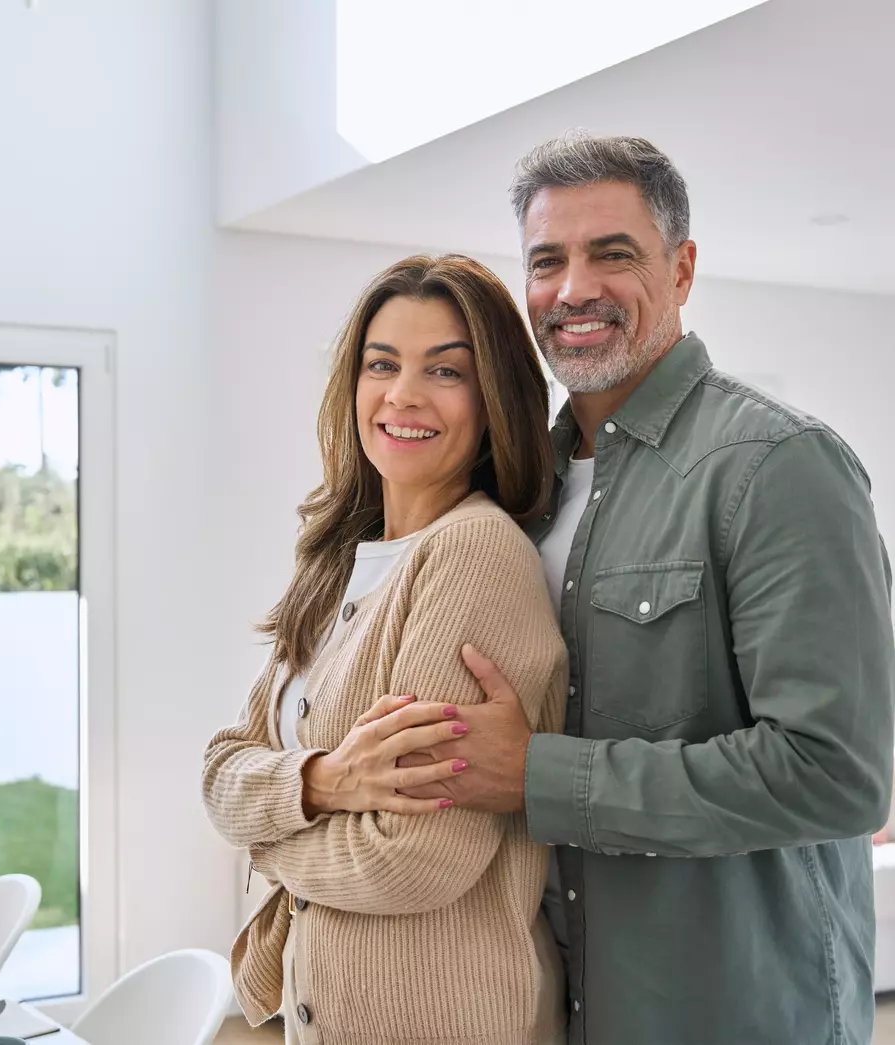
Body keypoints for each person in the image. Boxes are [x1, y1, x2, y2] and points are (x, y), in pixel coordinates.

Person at [397, 134, 895, 1044]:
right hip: (560, 1001)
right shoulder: (521, 488)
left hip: (733, 1014)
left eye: (611, 254)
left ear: (682, 268)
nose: (573, 289)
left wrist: (537, 773)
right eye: (546, 262)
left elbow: (837, 776)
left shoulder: (777, 465)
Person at [202, 254, 569, 1044]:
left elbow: (411, 858)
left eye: (444, 370)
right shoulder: (336, 558)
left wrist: (266, 838)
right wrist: (326, 780)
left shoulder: (473, 554)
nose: (402, 394)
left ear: (491, 399)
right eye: (382, 364)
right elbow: (220, 770)